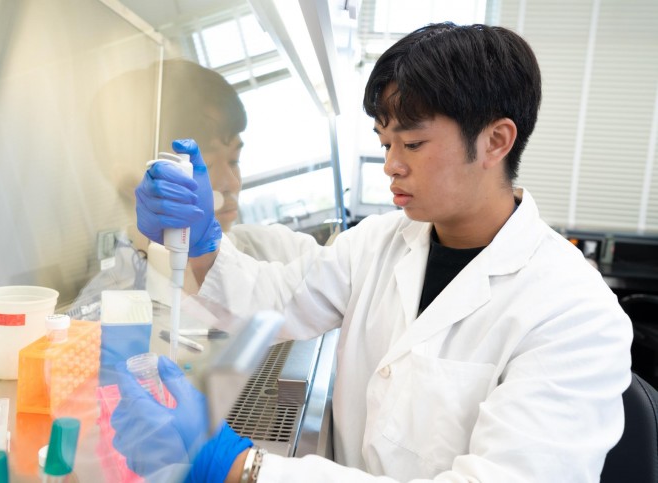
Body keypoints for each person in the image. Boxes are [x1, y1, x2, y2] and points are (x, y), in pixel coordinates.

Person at [115, 22, 633, 482]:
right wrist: (202, 242)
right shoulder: (379, 242)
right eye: (385, 144)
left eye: (411, 144)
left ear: (496, 141)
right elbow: (277, 301)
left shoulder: (576, 314)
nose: (390, 165)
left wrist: (242, 467)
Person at [71, 59, 320, 318]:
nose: (231, 183)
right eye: (207, 166)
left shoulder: (268, 249)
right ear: (130, 182)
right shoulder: (100, 313)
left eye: (234, 161)